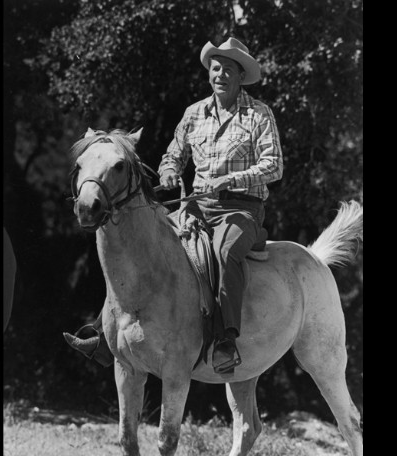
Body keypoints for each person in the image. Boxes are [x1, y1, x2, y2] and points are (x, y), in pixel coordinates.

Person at [64, 37, 283, 374]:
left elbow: (274, 166)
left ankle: (224, 339)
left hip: (241, 209)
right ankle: (105, 333)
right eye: (215, 68)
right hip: (196, 207)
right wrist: (168, 172)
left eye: (228, 69)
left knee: (225, 253)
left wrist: (232, 179)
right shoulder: (194, 113)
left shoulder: (258, 115)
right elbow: (173, 156)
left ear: (241, 76)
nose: (220, 74)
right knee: (143, 246)